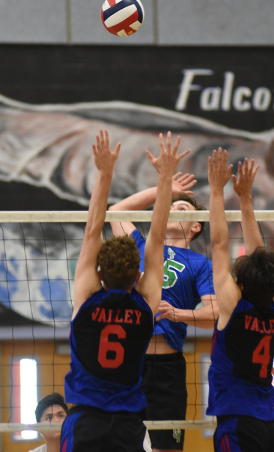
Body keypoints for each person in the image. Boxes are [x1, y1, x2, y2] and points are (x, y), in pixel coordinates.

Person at [60, 130, 190, 452]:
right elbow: (156, 238)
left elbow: (93, 228)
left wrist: (104, 174)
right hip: (128, 423)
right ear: (138, 276)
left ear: (100, 273)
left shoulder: (88, 296)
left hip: (86, 419)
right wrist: (165, 179)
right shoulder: (145, 302)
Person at [109, 175, 219, 452]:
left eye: (181, 209)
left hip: (166, 371)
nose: (172, 210)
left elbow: (215, 313)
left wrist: (177, 314)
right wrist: (163, 189)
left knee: (166, 448)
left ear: (196, 226)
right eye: (170, 206)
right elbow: (116, 212)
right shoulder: (140, 246)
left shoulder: (200, 264)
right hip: (129, 364)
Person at [206, 148, 274, 452]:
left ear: (241, 283)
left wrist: (216, 190)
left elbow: (218, 245)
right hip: (269, 424)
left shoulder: (234, 306)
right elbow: (257, 256)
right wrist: (245, 199)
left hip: (238, 423)